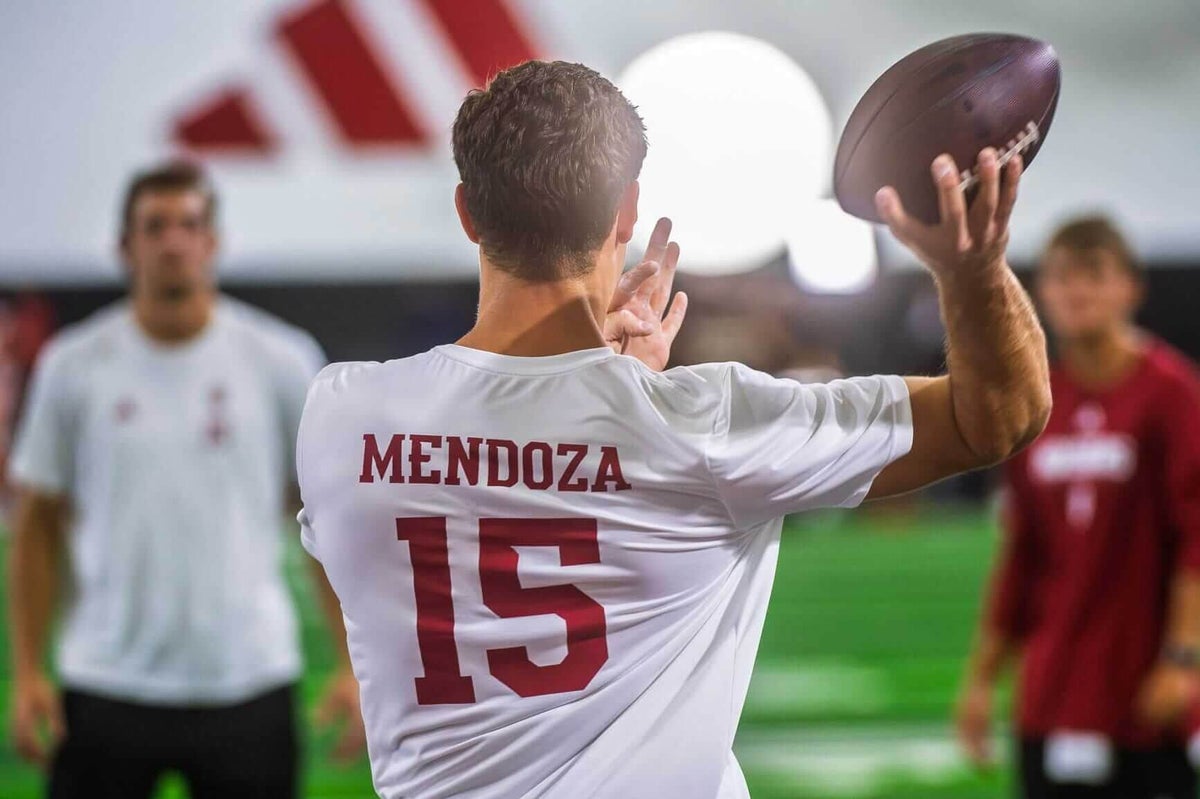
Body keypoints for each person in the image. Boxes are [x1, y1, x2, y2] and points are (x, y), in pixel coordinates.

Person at [297, 60, 1049, 798]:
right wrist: (971, 268)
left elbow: (405, 514)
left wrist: (593, 388)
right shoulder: (700, 424)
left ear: (467, 212)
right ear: (625, 213)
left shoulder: (341, 412)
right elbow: (998, 417)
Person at [6, 161, 367, 798]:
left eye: (190, 225)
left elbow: (325, 523)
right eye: (155, 226)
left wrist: (352, 664)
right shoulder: (73, 366)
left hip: (248, 679)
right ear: (125, 247)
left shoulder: (281, 360)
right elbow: (36, 524)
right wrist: (30, 671)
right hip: (105, 679)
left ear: (213, 242)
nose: (174, 240)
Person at [957, 216, 1200, 798]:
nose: (1076, 291)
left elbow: (1196, 535)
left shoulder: (1172, 393)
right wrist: (983, 678)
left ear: (1131, 288)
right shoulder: (1037, 403)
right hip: (1054, 687)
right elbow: (1022, 553)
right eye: (1062, 277)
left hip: (1145, 685)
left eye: (1094, 275)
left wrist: (1184, 657)